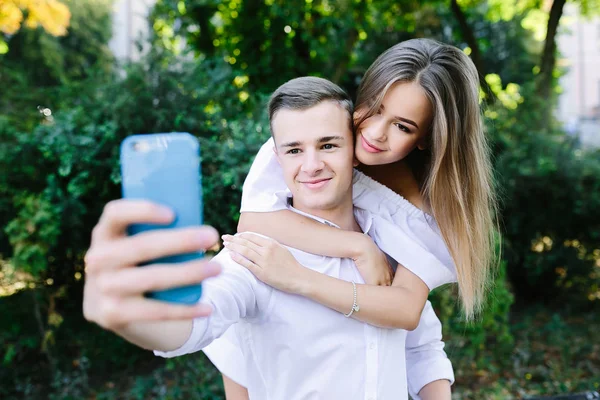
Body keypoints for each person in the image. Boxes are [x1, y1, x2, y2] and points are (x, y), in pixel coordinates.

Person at [83, 76, 453, 399]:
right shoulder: (255, 256)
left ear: (354, 151)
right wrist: (130, 317)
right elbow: (193, 324)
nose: (311, 165)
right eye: (295, 150)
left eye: (328, 145)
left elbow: (421, 346)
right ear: (277, 157)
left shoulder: (391, 244)